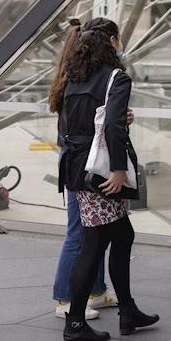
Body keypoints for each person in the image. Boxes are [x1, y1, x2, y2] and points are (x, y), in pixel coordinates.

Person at [55, 18, 158, 341]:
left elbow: (77, 123)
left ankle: (128, 311)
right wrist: (116, 170)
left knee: (121, 234)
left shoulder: (74, 79)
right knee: (93, 243)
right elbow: (111, 125)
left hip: (76, 168)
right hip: (99, 170)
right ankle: (74, 323)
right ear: (110, 45)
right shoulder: (116, 78)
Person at [48, 19, 119, 321]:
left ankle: (96, 290)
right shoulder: (87, 78)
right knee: (79, 232)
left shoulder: (73, 73)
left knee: (96, 230)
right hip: (84, 160)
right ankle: (64, 298)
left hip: (75, 157)